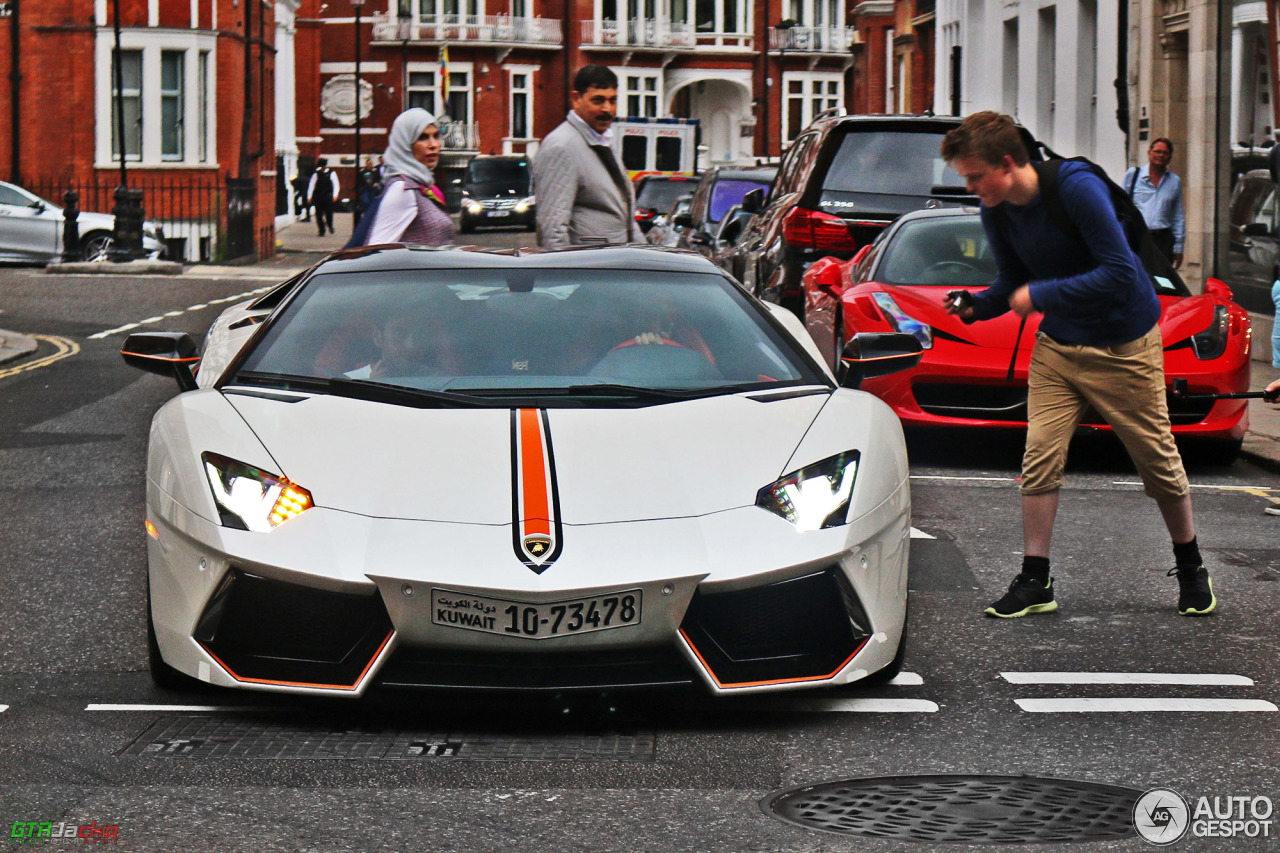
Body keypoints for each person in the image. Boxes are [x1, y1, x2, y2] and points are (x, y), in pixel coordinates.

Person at [939, 111, 1216, 618]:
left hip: (1123, 345)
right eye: (966, 178)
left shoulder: (1075, 187)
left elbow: (1116, 270)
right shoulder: (997, 210)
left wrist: (1039, 293)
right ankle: (1035, 579)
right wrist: (976, 305)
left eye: (976, 175)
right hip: (1059, 348)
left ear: (1007, 163)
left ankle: (1192, 565)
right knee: (1039, 457)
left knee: (1156, 460)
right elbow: (1009, 284)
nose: (972, 186)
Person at [532, 64, 643, 249]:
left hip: (613, 265)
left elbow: (626, 219)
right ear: (576, 99)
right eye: (598, 101)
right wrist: (565, 275)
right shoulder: (561, 147)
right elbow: (552, 229)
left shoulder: (602, 140)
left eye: (612, 100)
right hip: (589, 269)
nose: (607, 109)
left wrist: (648, 258)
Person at [356, 108, 454, 247]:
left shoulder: (420, 185)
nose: (433, 145)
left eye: (436, 136)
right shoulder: (403, 189)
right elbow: (377, 251)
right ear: (405, 144)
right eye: (422, 137)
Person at [1124, 138, 1185, 268]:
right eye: (1157, 151)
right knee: (1136, 277)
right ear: (1149, 153)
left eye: (1165, 153)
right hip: (1137, 237)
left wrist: (1178, 247)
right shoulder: (1133, 175)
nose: (1161, 155)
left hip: (1162, 240)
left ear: (1170, 157)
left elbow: (1177, 216)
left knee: (1161, 281)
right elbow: (1120, 205)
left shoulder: (1174, 181)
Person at [307, 159, 340, 236]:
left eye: (323, 166)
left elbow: (336, 184)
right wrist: (309, 196)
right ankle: (321, 230)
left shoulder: (332, 173)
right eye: (321, 166)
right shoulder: (316, 174)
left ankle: (330, 225)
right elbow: (311, 185)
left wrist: (335, 195)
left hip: (328, 196)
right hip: (318, 196)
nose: (322, 167)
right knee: (318, 214)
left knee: (329, 213)